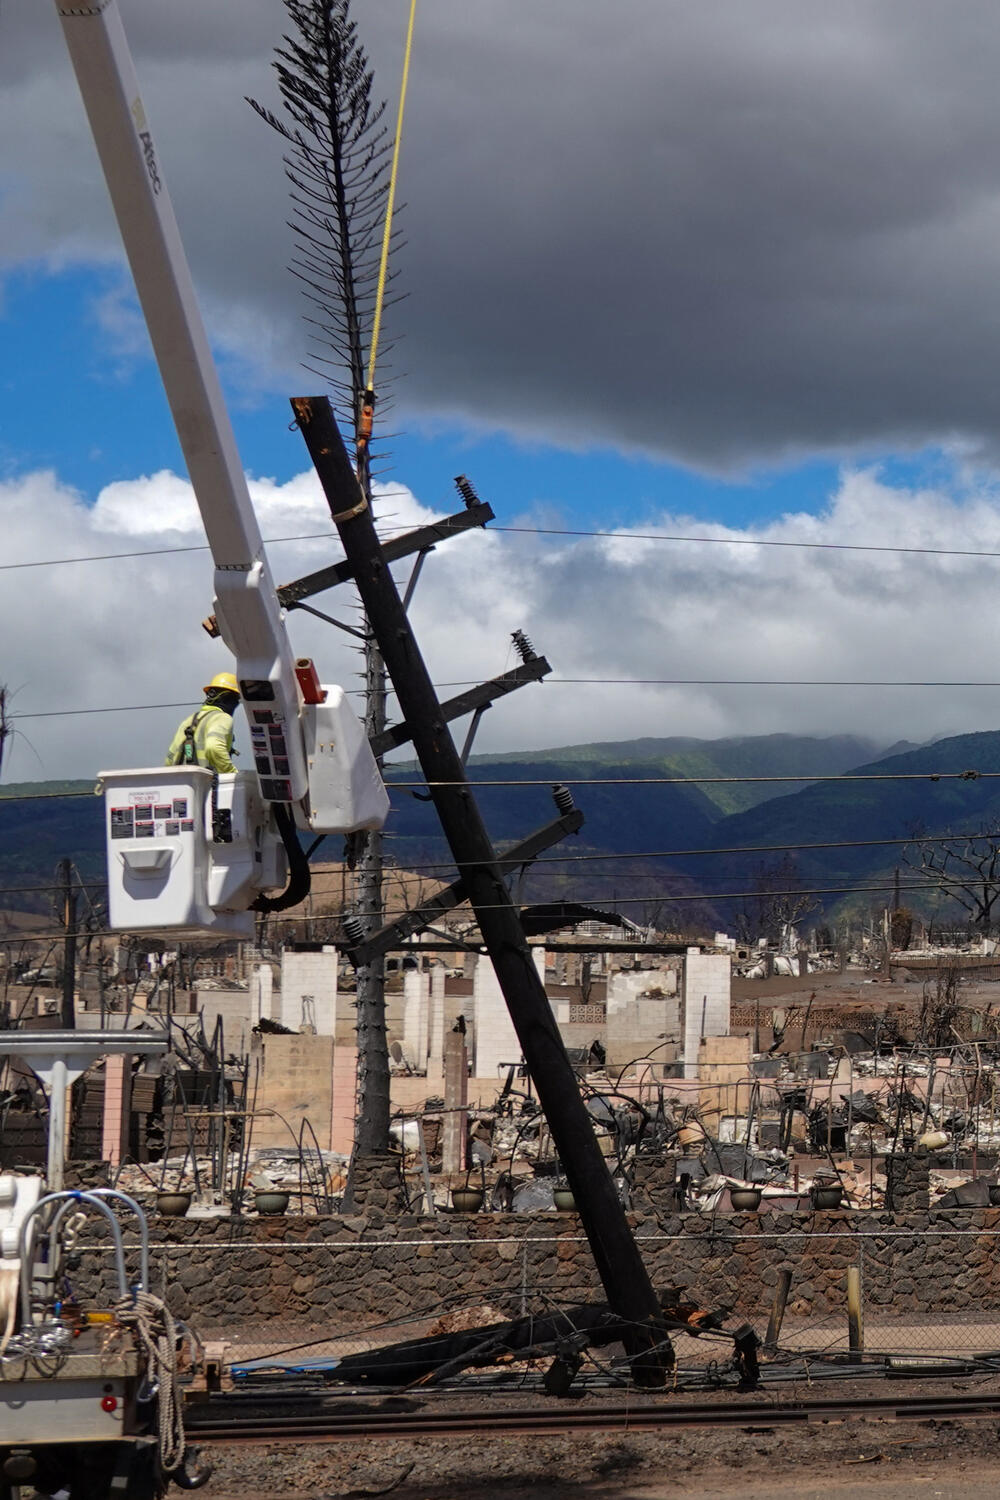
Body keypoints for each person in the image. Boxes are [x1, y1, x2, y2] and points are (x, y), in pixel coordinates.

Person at [165, 672, 240, 773]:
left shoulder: (189, 721)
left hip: (182, 784)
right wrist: (231, 773)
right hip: (207, 785)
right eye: (236, 699)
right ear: (230, 698)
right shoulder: (222, 718)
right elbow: (214, 747)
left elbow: (169, 759)